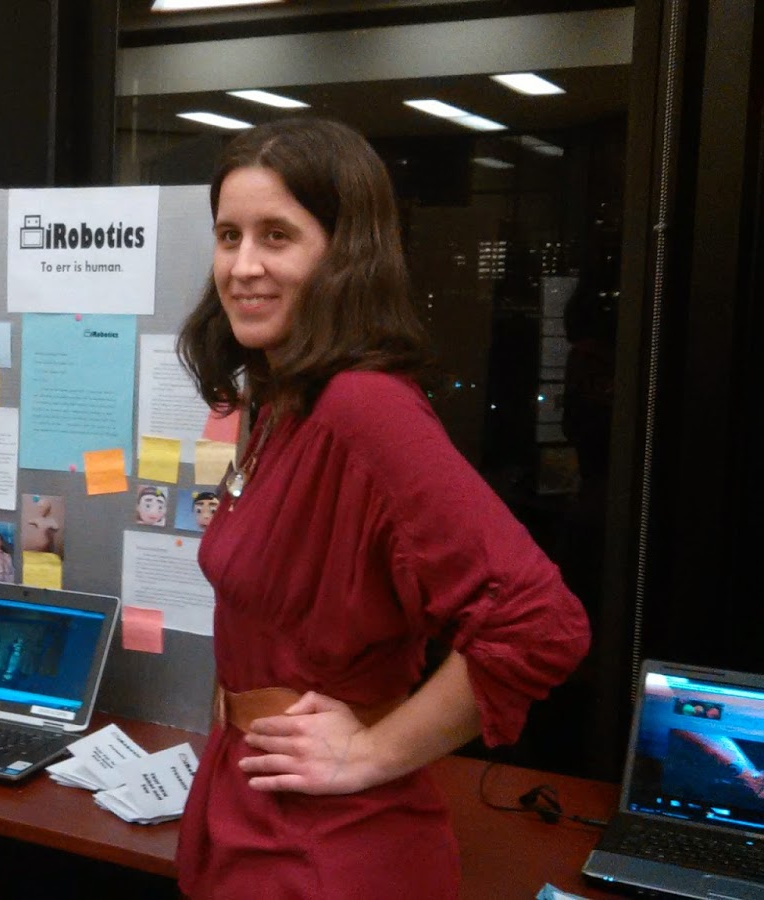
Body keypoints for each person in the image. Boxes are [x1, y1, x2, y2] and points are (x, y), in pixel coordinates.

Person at [172, 117, 590, 899]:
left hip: (325, 851)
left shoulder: (364, 409)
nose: (244, 266)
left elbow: (537, 623)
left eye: (277, 236)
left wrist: (367, 753)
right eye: (229, 235)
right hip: (254, 812)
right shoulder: (284, 401)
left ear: (345, 255)